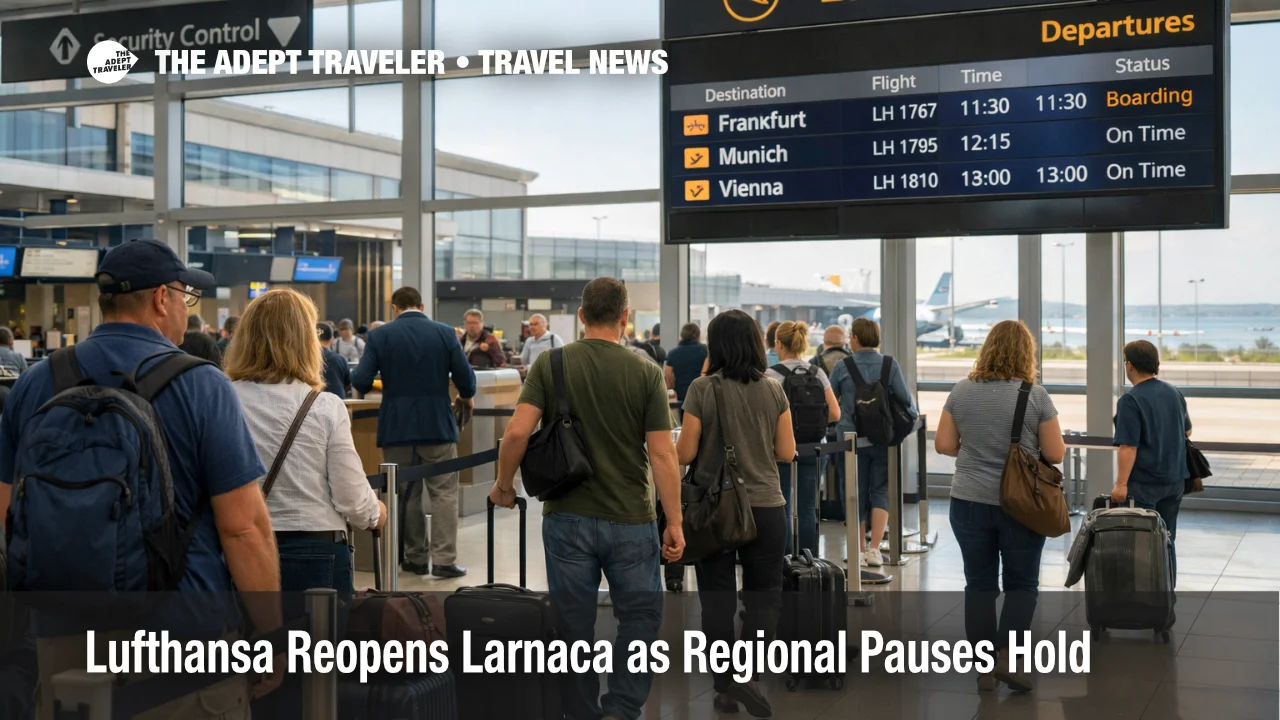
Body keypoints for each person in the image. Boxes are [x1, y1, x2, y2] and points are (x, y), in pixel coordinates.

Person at [0, 239, 281, 717]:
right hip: (186, 641)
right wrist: (272, 634)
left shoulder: (35, 382)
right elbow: (243, 527)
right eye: (185, 296)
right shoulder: (202, 384)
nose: (185, 309)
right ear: (160, 298)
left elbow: (8, 512)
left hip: (64, 638)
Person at [491, 277, 684, 720]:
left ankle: (579, 711)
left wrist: (504, 485)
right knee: (639, 620)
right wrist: (673, 520)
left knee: (572, 625)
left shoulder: (551, 364)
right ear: (625, 318)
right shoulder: (645, 372)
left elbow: (517, 432)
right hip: (630, 517)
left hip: (567, 516)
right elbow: (661, 453)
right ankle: (622, 707)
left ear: (581, 316)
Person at [227, 289, 386, 718]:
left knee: (245, 675)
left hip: (236, 554)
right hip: (317, 557)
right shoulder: (324, 405)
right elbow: (354, 501)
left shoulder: (221, 398)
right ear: (305, 340)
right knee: (310, 684)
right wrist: (378, 512)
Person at [934, 319, 1064, 694]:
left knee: (979, 585)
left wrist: (977, 452)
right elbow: (1054, 453)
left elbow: (943, 444)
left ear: (987, 348)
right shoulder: (1034, 394)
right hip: (1022, 505)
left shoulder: (961, 390)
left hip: (969, 501)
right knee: (1022, 585)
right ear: (1028, 353)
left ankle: (985, 670)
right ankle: (1008, 657)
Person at [677, 309, 794, 718]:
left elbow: (686, 453)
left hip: (715, 510)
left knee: (717, 603)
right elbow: (786, 452)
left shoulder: (702, 388)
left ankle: (725, 689)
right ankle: (751, 678)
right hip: (766, 507)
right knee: (765, 601)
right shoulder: (774, 389)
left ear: (716, 344)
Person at [353, 287, 475, 579]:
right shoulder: (446, 333)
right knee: (443, 492)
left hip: (396, 426)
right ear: (421, 305)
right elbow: (467, 382)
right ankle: (444, 560)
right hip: (437, 425)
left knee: (406, 492)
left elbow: (360, 379)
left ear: (394, 307)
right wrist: (462, 396)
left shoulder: (381, 336)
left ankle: (415, 558)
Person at [828, 317, 917, 569]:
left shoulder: (842, 366)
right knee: (880, 490)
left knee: (852, 493)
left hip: (850, 441)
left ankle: (858, 550)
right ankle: (875, 550)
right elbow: (906, 402)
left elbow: (831, 403)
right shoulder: (889, 364)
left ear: (854, 338)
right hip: (883, 438)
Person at [1112, 339, 1192, 585]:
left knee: (1141, 544)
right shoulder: (1174, 392)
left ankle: (1141, 603)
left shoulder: (1131, 400)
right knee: (1167, 540)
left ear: (1130, 366)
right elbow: (1187, 432)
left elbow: (1128, 446)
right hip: (1175, 480)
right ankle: (1166, 599)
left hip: (1144, 484)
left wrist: (1120, 484)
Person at [766, 320, 840, 557]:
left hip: (780, 450)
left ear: (778, 344)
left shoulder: (770, 375)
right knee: (807, 506)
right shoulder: (816, 372)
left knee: (783, 504)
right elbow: (835, 413)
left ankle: (786, 560)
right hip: (814, 447)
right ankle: (809, 560)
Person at [664, 322, 708, 406]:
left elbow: (668, 375)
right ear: (698, 336)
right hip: (701, 393)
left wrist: (671, 387)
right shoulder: (705, 350)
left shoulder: (673, 353)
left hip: (681, 395)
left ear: (682, 336)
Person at [317, 322, 351, 399]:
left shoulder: (303, 360)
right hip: (336, 405)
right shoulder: (341, 360)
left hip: (310, 406)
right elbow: (348, 382)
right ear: (332, 339)